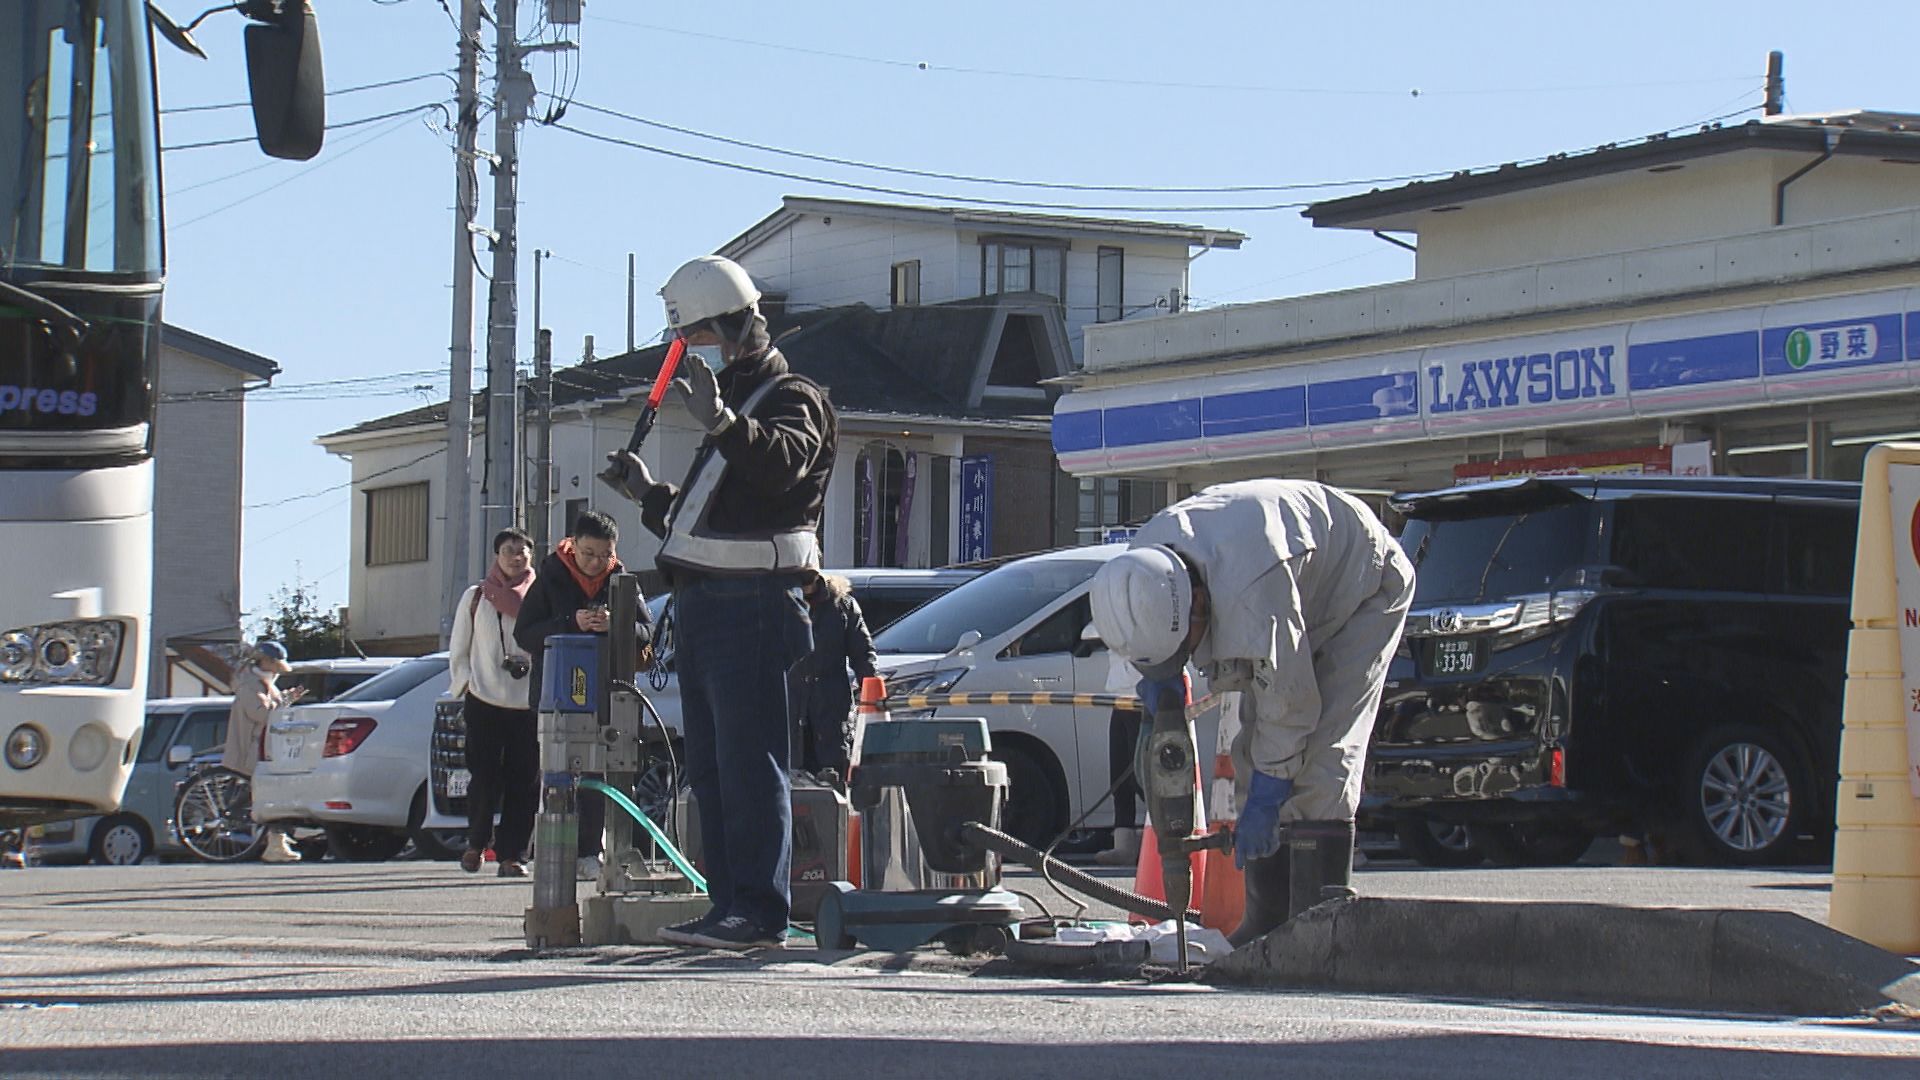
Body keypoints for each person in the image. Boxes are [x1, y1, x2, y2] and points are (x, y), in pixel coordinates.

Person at [601, 254, 837, 950]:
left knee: (747, 762)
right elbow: (712, 519)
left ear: (733, 328)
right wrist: (648, 494)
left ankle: (759, 912)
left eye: (698, 339)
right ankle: (729, 905)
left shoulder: (791, 396)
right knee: (711, 768)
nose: (693, 359)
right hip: (709, 608)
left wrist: (725, 423)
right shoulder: (732, 408)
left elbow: (784, 462)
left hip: (754, 606)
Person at [1087, 479, 1415, 946]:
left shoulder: (1255, 596)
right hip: (1292, 577)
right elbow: (1155, 654)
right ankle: (1266, 923)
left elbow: (1291, 705)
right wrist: (1161, 688)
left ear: (1197, 605)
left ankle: (1317, 927)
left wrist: (1268, 797)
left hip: (1363, 585)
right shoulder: (1140, 573)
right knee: (1248, 755)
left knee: (1322, 758)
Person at [514, 509, 652, 883]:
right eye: (588, 553)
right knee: (557, 772)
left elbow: (647, 634)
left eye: (604, 555)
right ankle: (554, 852)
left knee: (597, 771)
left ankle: (591, 851)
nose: (595, 563)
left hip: (608, 690)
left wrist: (617, 623)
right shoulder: (550, 577)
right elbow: (525, 634)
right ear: (572, 546)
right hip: (559, 692)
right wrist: (570, 623)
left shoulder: (622, 580)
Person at [449, 527, 538, 878]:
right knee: (483, 777)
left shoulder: (541, 596)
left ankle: (513, 854)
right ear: (496, 556)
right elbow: (459, 648)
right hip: (484, 699)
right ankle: (476, 844)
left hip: (527, 702)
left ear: (532, 556)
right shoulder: (477, 596)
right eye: (508, 551)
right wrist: (466, 685)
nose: (516, 557)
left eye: (522, 551)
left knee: (525, 782)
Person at [222, 640, 306, 864]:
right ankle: (275, 844)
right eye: (275, 663)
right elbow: (263, 714)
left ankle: (276, 842)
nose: (278, 668)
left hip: (260, 750)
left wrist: (287, 698)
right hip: (252, 751)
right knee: (272, 794)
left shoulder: (261, 682)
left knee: (269, 794)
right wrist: (284, 701)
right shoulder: (251, 685)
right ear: (266, 661)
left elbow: (269, 709)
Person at [790, 573, 877, 782]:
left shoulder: (841, 604)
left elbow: (863, 655)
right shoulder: (782, 602)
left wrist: (873, 698)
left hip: (831, 715)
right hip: (790, 714)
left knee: (835, 785)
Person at [1095, 650, 1146, 867]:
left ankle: (1162, 838)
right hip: (1121, 694)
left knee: (1143, 776)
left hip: (1144, 692)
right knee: (1119, 776)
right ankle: (1124, 844)